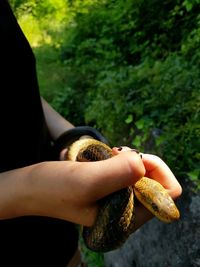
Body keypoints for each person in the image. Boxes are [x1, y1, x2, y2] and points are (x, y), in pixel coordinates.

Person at [0, 0, 182, 266]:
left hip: (59, 245)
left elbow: (15, 87)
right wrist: (28, 189)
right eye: (156, 205)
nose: (161, 212)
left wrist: (72, 140)